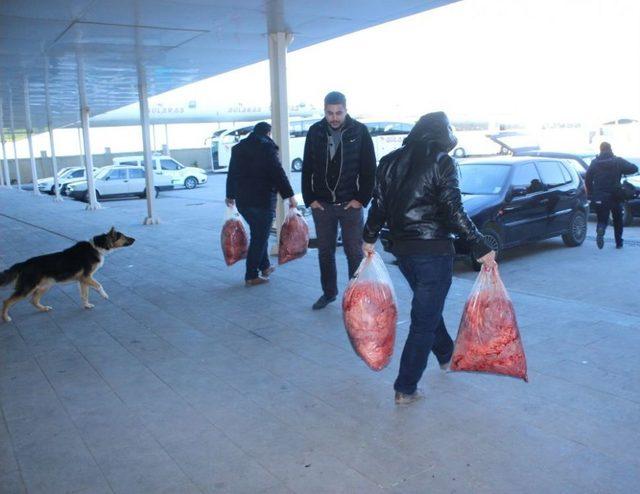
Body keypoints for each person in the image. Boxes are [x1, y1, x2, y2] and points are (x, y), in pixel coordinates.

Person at [362, 111, 496, 405]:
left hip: (403, 252)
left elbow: (379, 205)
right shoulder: (442, 161)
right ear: (441, 132)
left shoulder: (390, 161)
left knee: (427, 308)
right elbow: (453, 209)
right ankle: (406, 387)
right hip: (433, 252)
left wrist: (369, 236)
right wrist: (480, 245)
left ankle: (447, 356)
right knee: (423, 320)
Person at [301, 91, 376, 310]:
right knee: (325, 252)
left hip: (350, 205)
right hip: (322, 205)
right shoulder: (315, 131)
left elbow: (370, 169)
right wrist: (310, 198)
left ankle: (356, 296)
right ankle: (329, 293)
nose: (334, 117)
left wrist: (361, 199)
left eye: (338, 113)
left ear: (346, 109)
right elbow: (307, 168)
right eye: (329, 113)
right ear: (324, 110)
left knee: (354, 252)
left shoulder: (359, 131)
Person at [226, 122, 297, 286]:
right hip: (262, 200)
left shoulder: (238, 148)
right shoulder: (267, 147)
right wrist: (289, 196)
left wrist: (230, 195)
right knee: (260, 237)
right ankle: (251, 275)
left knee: (259, 233)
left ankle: (264, 266)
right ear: (268, 133)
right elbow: (278, 173)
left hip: (243, 201)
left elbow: (232, 173)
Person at [586, 142, 638, 249]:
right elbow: (634, 168)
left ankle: (601, 228)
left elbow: (588, 179)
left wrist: (591, 193)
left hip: (600, 196)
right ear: (610, 149)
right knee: (617, 219)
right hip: (616, 195)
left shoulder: (594, 163)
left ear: (600, 150)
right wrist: (623, 170)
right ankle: (619, 243)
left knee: (602, 218)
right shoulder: (618, 161)